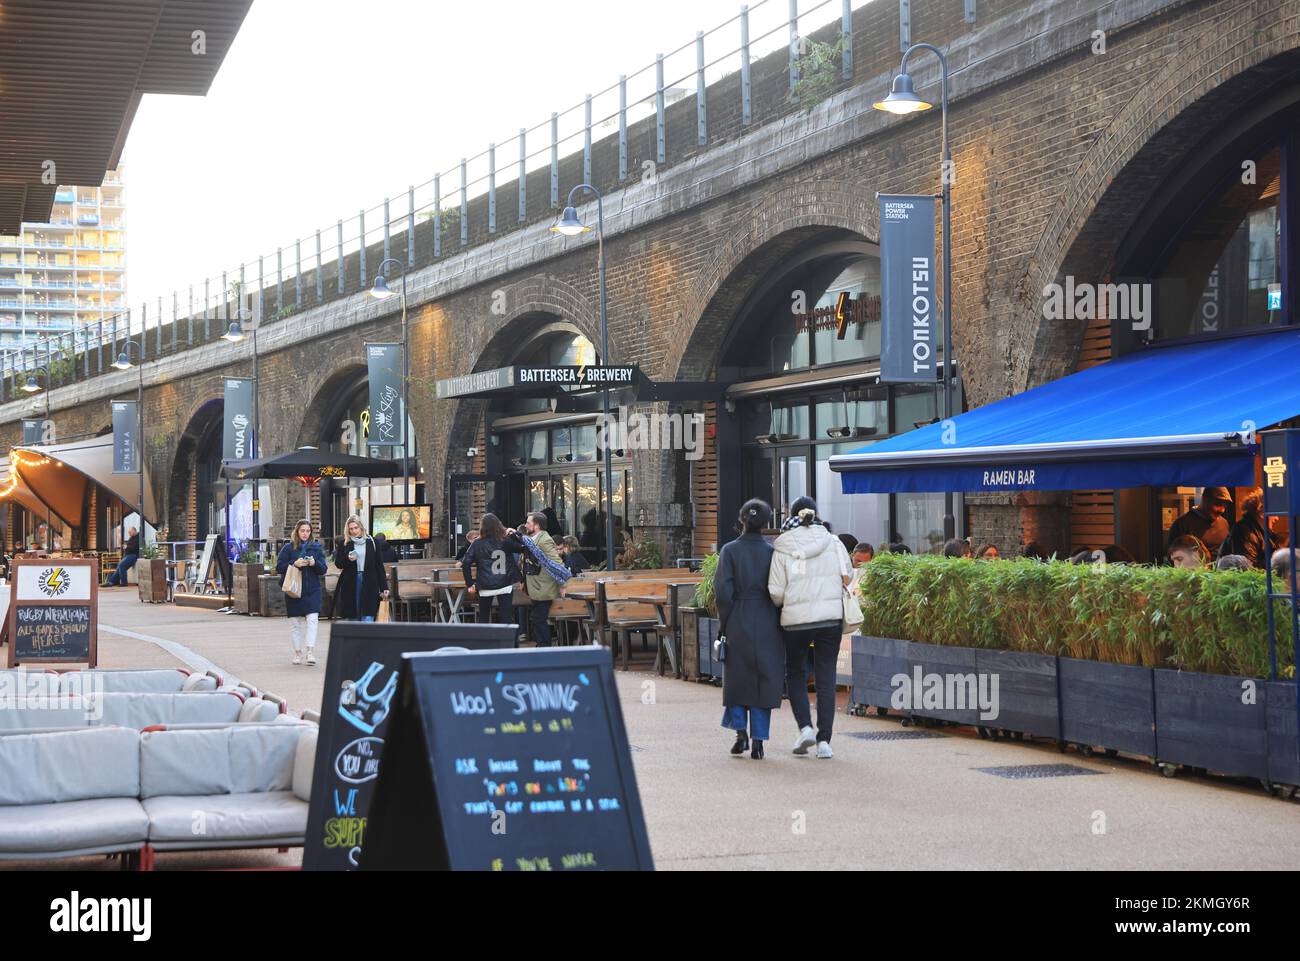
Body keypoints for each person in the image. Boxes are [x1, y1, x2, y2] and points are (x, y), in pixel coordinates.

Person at [768, 496, 853, 760]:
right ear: (815, 515)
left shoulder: (782, 547)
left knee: (795, 673)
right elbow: (847, 576)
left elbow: (776, 593)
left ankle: (805, 727)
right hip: (830, 620)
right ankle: (824, 741)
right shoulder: (834, 541)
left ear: (792, 516)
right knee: (826, 677)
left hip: (795, 622)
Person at [714, 499, 784, 760]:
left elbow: (722, 592)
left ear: (742, 520)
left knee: (736, 678)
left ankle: (739, 731)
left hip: (738, 617)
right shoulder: (772, 552)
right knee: (764, 680)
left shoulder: (729, 551)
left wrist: (724, 623)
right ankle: (759, 741)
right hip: (767, 618)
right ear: (766, 523)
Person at [276, 520, 328, 666]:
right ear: (297, 532)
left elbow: (323, 569)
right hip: (294, 590)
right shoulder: (288, 548)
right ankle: (297, 653)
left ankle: (310, 651)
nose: (305, 534)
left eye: (308, 531)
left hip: (312, 590)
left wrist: (314, 563)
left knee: (313, 620)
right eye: (302, 531)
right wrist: (294, 564)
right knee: (295, 623)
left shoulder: (316, 548)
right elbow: (279, 566)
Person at [508, 512, 564, 647]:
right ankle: (542, 645)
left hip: (544, 587)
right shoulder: (533, 538)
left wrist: (563, 585)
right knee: (536, 618)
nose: (526, 525)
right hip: (535, 587)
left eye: (528, 522)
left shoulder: (545, 540)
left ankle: (544, 646)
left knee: (538, 618)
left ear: (537, 525)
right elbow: (525, 545)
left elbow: (557, 562)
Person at [460, 513, 524, 628]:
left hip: (485, 585)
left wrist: (470, 584)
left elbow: (466, 563)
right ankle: (508, 643)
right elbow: (522, 547)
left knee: (484, 617)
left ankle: (485, 643)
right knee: (506, 617)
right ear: (498, 525)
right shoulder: (505, 540)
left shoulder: (477, 543)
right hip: (505, 583)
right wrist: (514, 533)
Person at [333, 515, 389, 621]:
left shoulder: (373, 542)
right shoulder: (345, 543)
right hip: (351, 582)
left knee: (368, 615)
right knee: (353, 615)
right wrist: (348, 559)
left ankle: (367, 636)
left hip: (369, 581)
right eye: (351, 529)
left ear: (361, 527)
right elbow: (338, 564)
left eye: (356, 528)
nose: (354, 531)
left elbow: (379, 566)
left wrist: (384, 587)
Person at [1218, 488, 1286, 569]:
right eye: (1274, 513)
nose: (1276, 518)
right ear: (1262, 511)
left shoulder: (1263, 532)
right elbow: (1248, 571)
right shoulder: (1244, 532)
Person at [1166, 487, 1232, 557]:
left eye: (1224, 506)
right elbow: (1172, 556)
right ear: (1204, 500)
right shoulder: (1182, 524)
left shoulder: (1224, 523)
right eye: (1218, 504)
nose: (1222, 510)